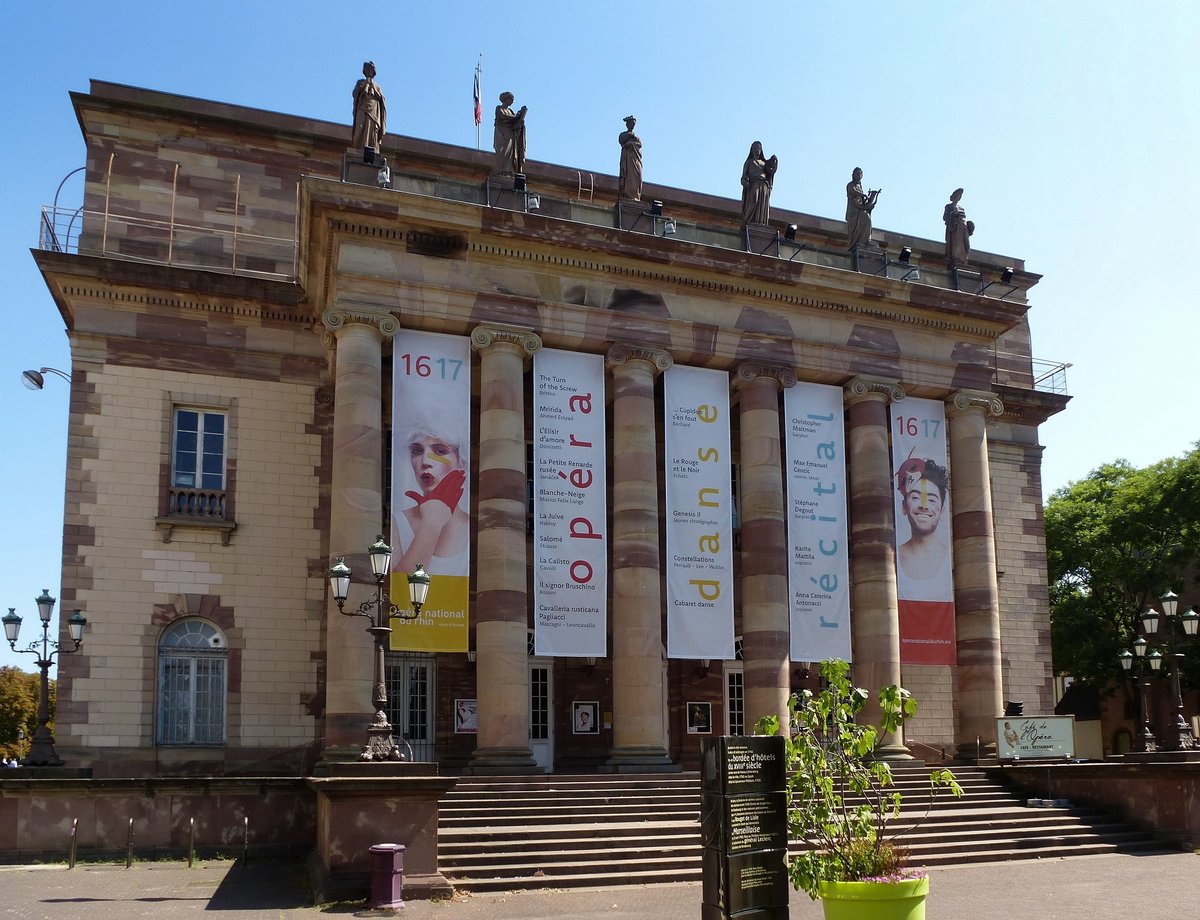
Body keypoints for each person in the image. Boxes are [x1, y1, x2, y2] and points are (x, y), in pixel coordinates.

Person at [392, 419, 469, 577]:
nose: (425, 462)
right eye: (417, 451)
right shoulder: (397, 523)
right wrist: (431, 524)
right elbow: (400, 592)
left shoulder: (477, 529)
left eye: (440, 451)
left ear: (461, 461)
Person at [895, 457, 951, 589]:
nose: (923, 506)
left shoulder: (950, 558)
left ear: (942, 510)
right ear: (904, 507)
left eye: (931, 500)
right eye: (915, 497)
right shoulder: (893, 556)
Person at [350, 61, 387, 155]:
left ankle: (372, 147)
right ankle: (358, 147)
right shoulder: (360, 82)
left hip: (374, 110)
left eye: (371, 69)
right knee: (360, 127)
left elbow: (381, 99)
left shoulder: (377, 87)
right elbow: (355, 93)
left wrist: (373, 88)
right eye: (367, 69)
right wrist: (364, 86)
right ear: (364, 71)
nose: (369, 71)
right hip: (362, 107)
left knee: (372, 130)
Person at [739, 141, 778, 225]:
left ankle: (761, 222)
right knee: (753, 200)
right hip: (754, 183)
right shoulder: (749, 162)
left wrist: (775, 161)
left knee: (763, 204)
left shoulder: (764, 163)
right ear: (752, 150)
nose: (758, 150)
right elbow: (743, 176)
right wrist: (745, 182)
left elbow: (771, 172)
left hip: (764, 185)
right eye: (756, 148)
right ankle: (748, 220)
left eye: (759, 148)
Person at [492, 92, 528, 176]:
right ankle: (501, 170)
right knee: (502, 151)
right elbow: (502, 116)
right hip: (501, 132)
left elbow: (515, 121)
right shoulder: (499, 108)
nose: (512, 101)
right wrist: (516, 117)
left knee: (510, 153)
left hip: (510, 135)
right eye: (511, 99)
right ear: (505, 99)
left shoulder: (510, 111)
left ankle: (508, 170)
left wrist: (520, 119)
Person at [845, 167, 880, 250]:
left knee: (867, 219)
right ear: (853, 175)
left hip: (860, 208)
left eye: (860, 174)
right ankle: (859, 241)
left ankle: (865, 239)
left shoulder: (859, 186)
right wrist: (863, 195)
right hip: (854, 210)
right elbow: (852, 192)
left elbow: (862, 200)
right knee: (865, 218)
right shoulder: (850, 185)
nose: (859, 175)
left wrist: (868, 203)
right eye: (857, 174)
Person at [943, 187, 974, 270]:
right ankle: (954, 258)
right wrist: (954, 214)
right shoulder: (948, 206)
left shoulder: (962, 208)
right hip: (954, 229)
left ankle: (962, 258)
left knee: (965, 244)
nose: (959, 197)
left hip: (962, 228)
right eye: (958, 195)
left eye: (960, 196)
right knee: (955, 245)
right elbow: (945, 218)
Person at [617, 116, 643, 201]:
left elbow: (639, 144)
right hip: (627, 159)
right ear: (627, 124)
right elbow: (621, 139)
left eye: (633, 124)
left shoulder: (637, 137)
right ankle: (627, 195)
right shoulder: (623, 135)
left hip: (635, 159)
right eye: (631, 123)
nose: (632, 125)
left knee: (637, 176)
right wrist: (630, 137)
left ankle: (636, 195)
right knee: (628, 176)